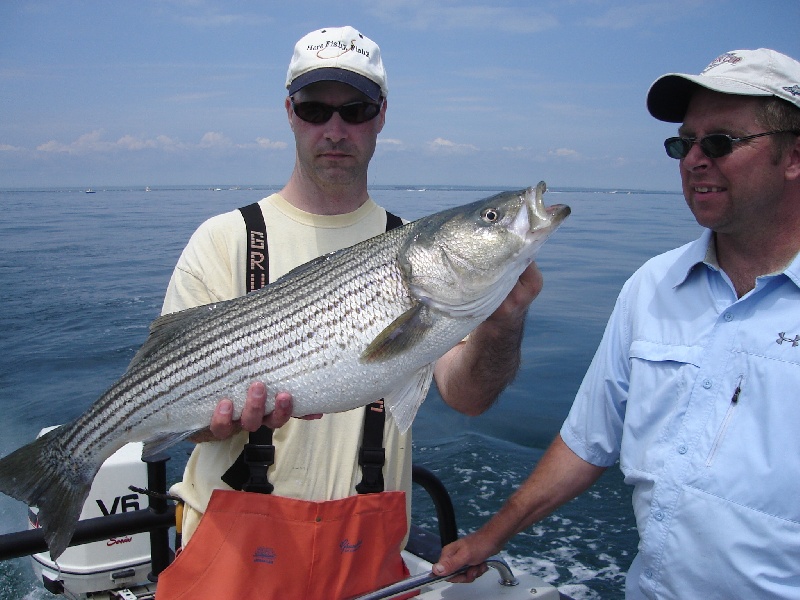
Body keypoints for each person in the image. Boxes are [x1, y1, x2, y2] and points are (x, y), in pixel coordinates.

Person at [154, 26, 543, 599]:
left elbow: (467, 396)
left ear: (381, 116)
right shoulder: (224, 241)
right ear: (290, 112)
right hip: (231, 560)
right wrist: (210, 423)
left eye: (355, 109)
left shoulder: (408, 244)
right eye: (315, 108)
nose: (335, 129)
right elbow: (176, 406)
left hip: (368, 559)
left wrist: (505, 323)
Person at [434, 48, 800, 599]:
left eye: (720, 142)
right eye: (683, 144)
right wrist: (490, 536)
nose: (694, 160)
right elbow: (588, 443)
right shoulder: (650, 287)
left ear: (794, 155)